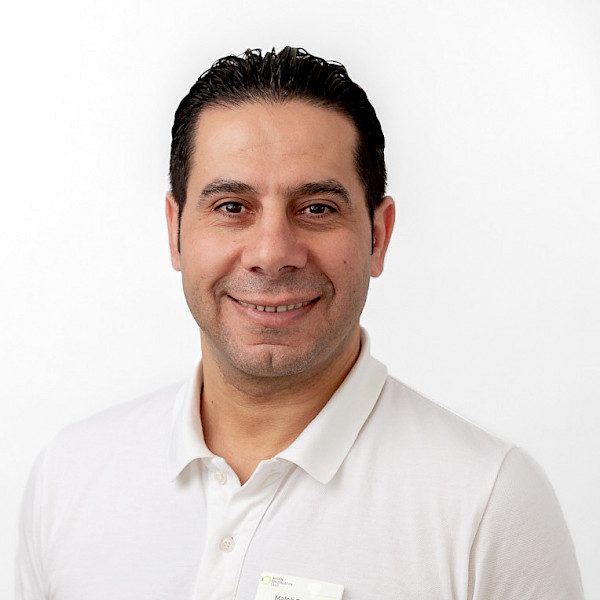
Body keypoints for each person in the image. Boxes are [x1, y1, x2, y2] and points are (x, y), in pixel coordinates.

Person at [16, 47, 584, 600]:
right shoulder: (68, 477)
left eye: (316, 208)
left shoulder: (488, 504)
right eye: (231, 207)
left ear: (379, 237)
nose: (272, 253)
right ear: (176, 230)